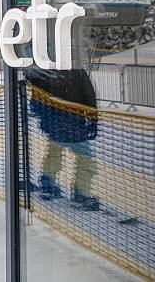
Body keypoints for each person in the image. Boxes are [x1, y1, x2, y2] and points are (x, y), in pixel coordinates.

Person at [27, 67, 99, 211]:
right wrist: (92, 119)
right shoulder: (77, 71)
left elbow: (36, 102)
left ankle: (48, 185)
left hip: (54, 123)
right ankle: (81, 194)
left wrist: (45, 119)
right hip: (74, 124)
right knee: (85, 159)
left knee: (54, 154)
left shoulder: (45, 72)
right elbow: (88, 95)